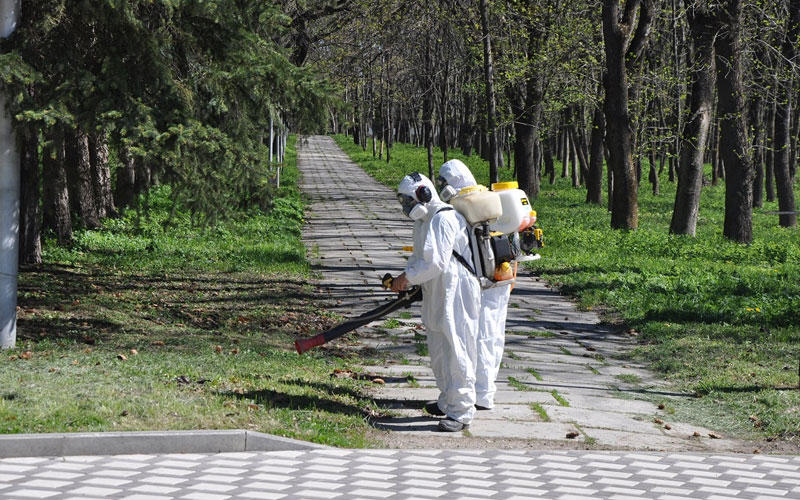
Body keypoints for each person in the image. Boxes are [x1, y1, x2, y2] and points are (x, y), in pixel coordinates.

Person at [390, 172, 481, 432]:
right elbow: (420, 259)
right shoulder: (424, 222)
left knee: (458, 347)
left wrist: (406, 278)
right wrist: (408, 279)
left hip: (457, 288)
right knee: (439, 348)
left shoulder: (443, 218)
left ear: (424, 194)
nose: (406, 207)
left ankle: (462, 412)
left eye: (408, 201)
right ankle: (447, 401)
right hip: (437, 289)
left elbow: (435, 262)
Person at [437, 159, 511, 411]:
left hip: (482, 281)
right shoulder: (486, 198)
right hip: (499, 277)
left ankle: (481, 395)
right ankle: (482, 393)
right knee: (490, 335)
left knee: (479, 337)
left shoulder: (461, 206)